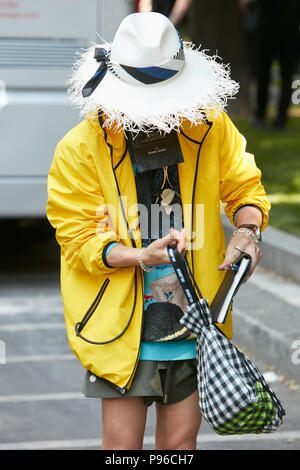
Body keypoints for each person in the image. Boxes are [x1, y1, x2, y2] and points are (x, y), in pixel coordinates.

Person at [47, 12, 270, 450]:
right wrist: (139, 257)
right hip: (119, 331)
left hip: (196, 326)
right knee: (121, 450)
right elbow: (76, 239)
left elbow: (245, 186)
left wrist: (248, 231)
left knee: (178, 450)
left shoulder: (209, 126)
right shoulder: (79, 147)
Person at [247, 0, 300, 131]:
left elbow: (252, 6)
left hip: (270, 29)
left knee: (264, 74)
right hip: (288, 30)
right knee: (285, 76)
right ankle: (279, 119)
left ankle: (262, 115)